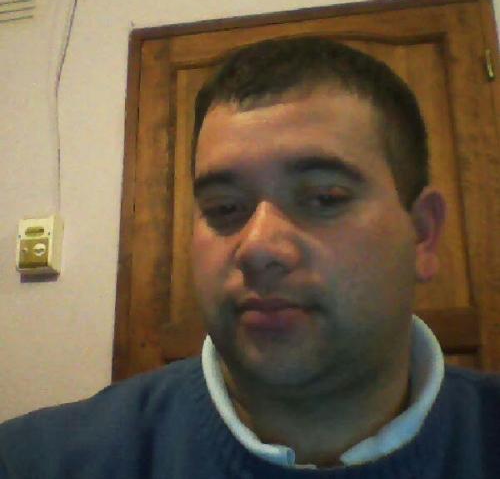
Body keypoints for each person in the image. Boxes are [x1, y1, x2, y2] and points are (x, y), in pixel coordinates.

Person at [1, 37, 499, 478]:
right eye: (224, 208)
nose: (258, 246)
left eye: (324, 198)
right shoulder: (36, 461)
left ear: (423, 235)